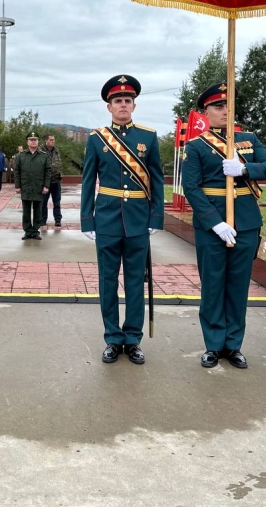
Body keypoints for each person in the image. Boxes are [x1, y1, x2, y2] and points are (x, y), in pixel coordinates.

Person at [182, 84, 266, 369]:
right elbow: (191, 187)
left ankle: (233, 345)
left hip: (246, 222)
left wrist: (246, 169)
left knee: (238, 286)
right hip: (213, 225)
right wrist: (215, 222)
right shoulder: (197, 146)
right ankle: (213, 344)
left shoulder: (248, 140)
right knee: (213, 286)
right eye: (217, 107)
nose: (224, 111)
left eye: (228, 106)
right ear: (206, 113)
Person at [80, 75, 164, 365]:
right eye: (118, 101)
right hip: (106, 219)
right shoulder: (96, 139)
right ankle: (113, 338)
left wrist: (156, 217)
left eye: (128, 101)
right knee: (107, 282)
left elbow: (157, 180)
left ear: (134, 105)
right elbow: (88, 181)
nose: (123, 105)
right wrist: (87, 220)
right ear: (109, 106)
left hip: (138, 220)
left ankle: (133, 339)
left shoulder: (148, 137)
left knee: (134, 283)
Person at [14, 131, 50, 240]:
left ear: (38, 142)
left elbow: (48, 171)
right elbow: (17, 171)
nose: (33, 142)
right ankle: (28, 231)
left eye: (35, 140)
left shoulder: (44, 156)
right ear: (27, 142)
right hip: (26, 186)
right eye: (31, 140)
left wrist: (46, 186)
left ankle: (35, 231)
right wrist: (17, 186)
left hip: (38, 186)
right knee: (26, 211)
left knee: (38, 210)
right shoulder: (21, 156)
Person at [41, 134, 63, 227]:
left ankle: (57, 219)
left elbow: (59, 163)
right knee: (43, 202)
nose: (53, 141)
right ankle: (42, 220)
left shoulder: (56, 150)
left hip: (56, 181)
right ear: (46, 141)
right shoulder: (40, 151)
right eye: (51, 140)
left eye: (54, 140)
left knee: (57, 202)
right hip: (45, 181)